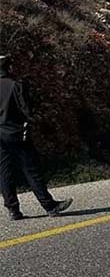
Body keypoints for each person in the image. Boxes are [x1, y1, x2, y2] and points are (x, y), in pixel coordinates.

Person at [0, 54, 72, 220]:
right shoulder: (16, 84)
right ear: (8, 67)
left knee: (5, 171)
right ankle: (49, 205)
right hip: (17, 132)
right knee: (31, 169)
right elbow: (27, 110)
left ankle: (13, 209)